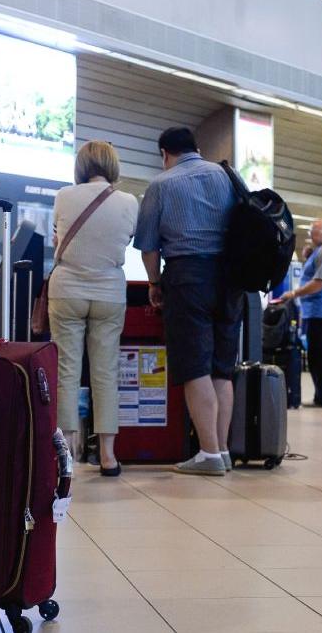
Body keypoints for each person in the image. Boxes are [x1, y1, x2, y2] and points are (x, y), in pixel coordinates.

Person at [135, 127, 240, 476]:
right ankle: (222, 450)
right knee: (222, 368)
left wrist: (154, 282)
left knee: (195, 367)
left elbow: (148, 246)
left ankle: (208, 454)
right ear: (197, 148)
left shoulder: (161, 184)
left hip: (187, 277)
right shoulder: (226, 175)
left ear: (165, 153)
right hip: (230, 279)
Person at [48, 141, 138, 477]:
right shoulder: (128, 202)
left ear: (82, 165)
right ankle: (108, 456)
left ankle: (65, 456)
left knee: (67, 372)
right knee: (106, 373)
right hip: (109, 293)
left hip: (67, 290)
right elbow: (124, 240)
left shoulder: (63, 196)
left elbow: (59, 239)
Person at [278, 220, 322, 408]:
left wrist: (294, 293)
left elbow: (319, 283)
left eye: (315, 234)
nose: (311, 238)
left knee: (320, 358)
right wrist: (310, 256)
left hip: (321, 312)